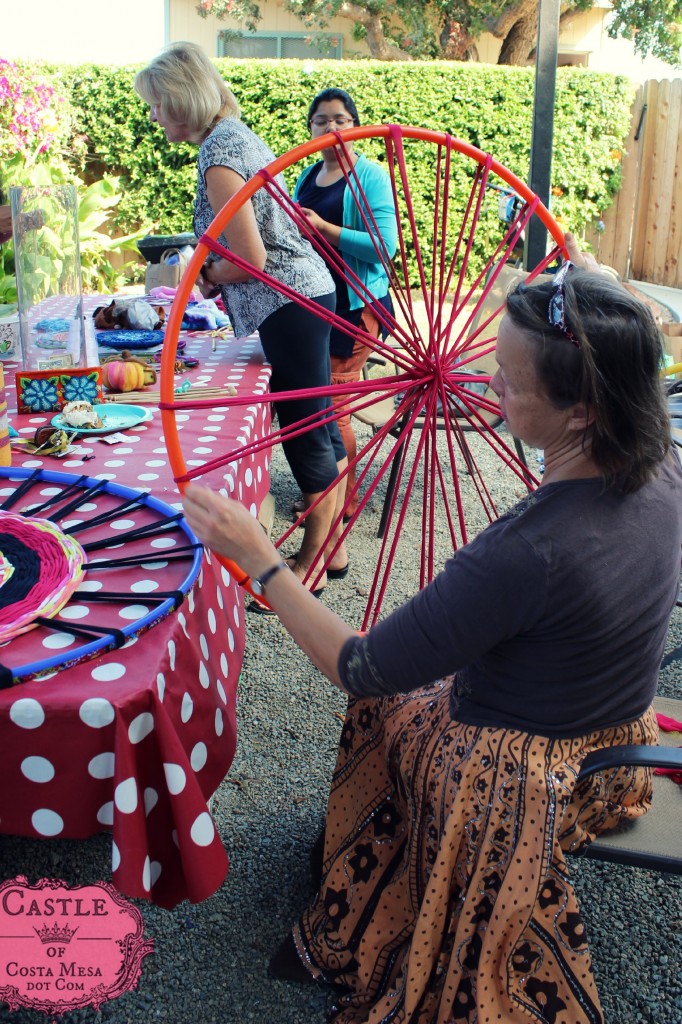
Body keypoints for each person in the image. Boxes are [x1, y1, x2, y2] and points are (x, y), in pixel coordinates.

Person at [182, 236, 682, 1024]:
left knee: (381, 704)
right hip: (622, 752)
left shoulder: (530, 552)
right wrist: (583, 280)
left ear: (582, 409)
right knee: (412, 687)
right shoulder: (662, 464)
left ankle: (400, 884)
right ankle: (400, 865)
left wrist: (260, 561)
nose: (486, 384)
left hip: (517, 788)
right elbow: (614, 307)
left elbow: (360, 664)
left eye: (509, 382)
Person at [134, 42, 348, 594]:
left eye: (157, 104)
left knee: (305, 430)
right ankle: (334, 551)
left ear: (181, 98)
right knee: (316, 421)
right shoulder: (235, 136)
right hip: (303, 296)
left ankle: (313, 563)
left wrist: (202, 275)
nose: (153, 116)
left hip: (289, 302)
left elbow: (251, 260)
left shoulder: (220, 154)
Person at [293, 88, 398, 522]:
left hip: (356, 306)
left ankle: (341, 504)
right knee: (318, 403)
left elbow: (383, 246)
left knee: (333, 409)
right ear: (311, 128)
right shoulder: (305, 178)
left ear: (355, 126)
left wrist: (324, 228)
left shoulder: (369, 176)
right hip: (318, 305)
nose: (331, 127)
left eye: (341, 119)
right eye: (322, 120)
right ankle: (325, 492)